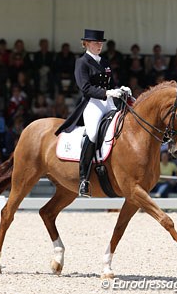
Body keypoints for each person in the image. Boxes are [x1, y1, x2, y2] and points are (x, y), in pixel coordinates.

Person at [55, 29, 130, 197]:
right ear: (86, 44)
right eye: (96, 43)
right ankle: (84, 179)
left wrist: (119, 89)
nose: (99, 45)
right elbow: (85, 88)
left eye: (101, 43)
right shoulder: (82, 62)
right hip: (93, 103)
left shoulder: (104, 61)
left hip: (108, 102)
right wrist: (107, 93)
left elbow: (111, 83)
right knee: (93, 133)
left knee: (122, 127)